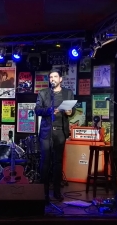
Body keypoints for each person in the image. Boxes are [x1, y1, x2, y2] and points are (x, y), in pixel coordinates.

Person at [34, 69, 75, 202]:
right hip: (46, 132)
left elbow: (72, 111)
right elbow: (37, 110)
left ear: (60, 79)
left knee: (58, 163)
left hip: (60, 132)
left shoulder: (68, 92)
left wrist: (70, 112)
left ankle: (57, 192)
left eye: (55, 77)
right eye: (51, 77)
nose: (53, 79)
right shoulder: (43, 93)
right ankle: (43, 193)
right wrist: (51, 110)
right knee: (45, 162)